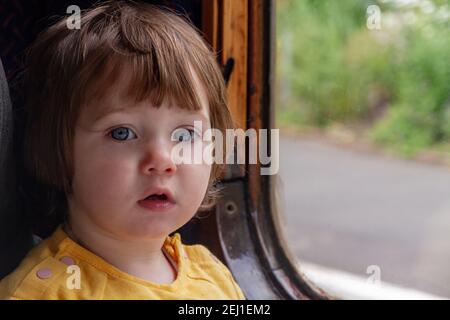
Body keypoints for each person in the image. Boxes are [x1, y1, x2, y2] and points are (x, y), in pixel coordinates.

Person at [0, 0, 244, 300]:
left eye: (185, 135)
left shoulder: (212, 275)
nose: (163, 160)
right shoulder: (43, 293)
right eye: (122, 133)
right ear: (58, 150)